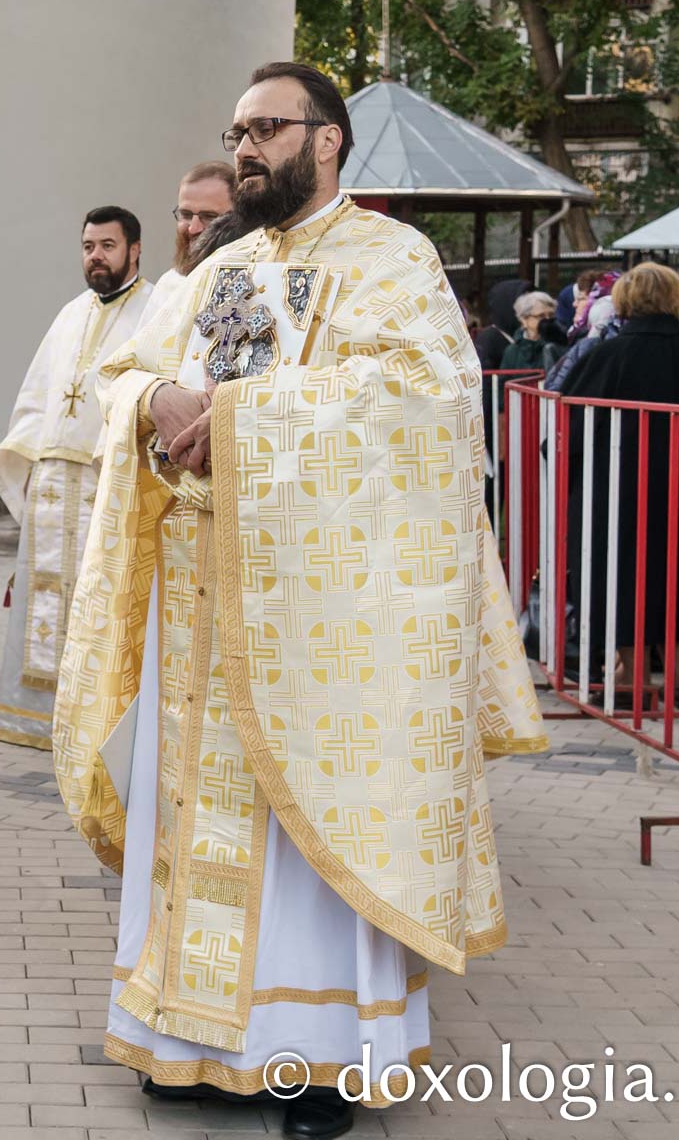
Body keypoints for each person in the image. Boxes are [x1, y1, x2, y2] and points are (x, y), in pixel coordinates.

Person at [53, 62, 546, 1139]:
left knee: (309, 833)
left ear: (325, 141)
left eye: (265, 129)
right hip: (199, 613)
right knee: (196, 829)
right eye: (235, 130)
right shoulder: (219, 266)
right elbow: (125, 375)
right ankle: (185, 1037)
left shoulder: (393, 262)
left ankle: (316, 1058)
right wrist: (157, 400)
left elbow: (423, 412)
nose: (244, 149)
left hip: (327, 626)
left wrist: (235, 416)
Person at [0, 205, 159, 750]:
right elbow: (37, 397)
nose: (96, 257)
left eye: (107, 246)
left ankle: (95, 725)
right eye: (88, 246)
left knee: (99, 600)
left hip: (107, 481)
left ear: (134, 249)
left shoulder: (158, 309)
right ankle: (35, 718)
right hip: (52, 486)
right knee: (45, 599)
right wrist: (30, 459)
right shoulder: (69, 314)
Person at [560, 262, 679, 713]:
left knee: (616, 577)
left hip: (612, 491)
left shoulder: (606, 355)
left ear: (624, 300)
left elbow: (571, 429)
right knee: (678, 575)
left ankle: (630, 673)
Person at [500, 290, 565, 371]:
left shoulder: (559, 345)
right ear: (524, 319)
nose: (547, 319)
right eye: (541, 316)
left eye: (551, 315)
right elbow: (503, 381)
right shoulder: (512, 351)